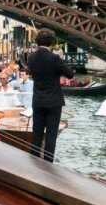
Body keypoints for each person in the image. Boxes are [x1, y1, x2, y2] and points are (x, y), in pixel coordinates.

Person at [26, 28, 74, 162]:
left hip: (38, 101)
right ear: (52, 42)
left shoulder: (31, 57)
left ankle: (34, 164)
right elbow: (70, 73)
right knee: (51, 136)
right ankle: (47, 166)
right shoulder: (54, 58)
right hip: (53, 102)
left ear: (37, 41)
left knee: (37, 135)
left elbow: (30, 72)